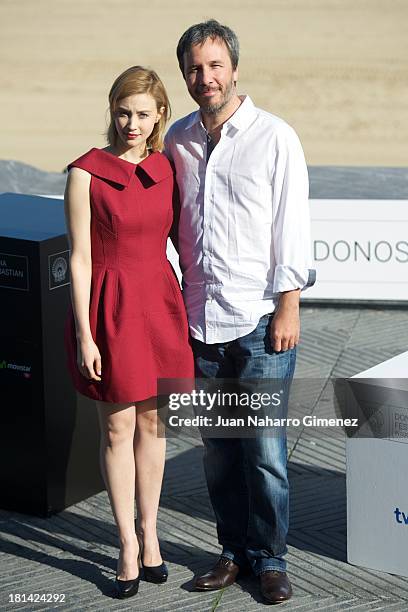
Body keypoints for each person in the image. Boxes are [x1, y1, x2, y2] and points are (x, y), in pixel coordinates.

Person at [164, 20, 314, 605]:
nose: (206, 77)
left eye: (216, 65)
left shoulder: (275, 137)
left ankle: (271, 560)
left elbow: (291, 229)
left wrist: (288, 305)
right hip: (198, 322)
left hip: (258, 322)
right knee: (220, 452)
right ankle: (232, 553)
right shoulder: (177, 139)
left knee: (267, 453)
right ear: (185, 75)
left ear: (234, 69)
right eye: (196, 68)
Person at [64, 65, 194, 599]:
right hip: (110, 307)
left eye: (142, 114)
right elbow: (78, 258)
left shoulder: (167, 168)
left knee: (153, 429)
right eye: (123, 112)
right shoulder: (85, 172)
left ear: (161, 113)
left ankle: (151, 533)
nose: (131, 124)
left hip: (159, 303)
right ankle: (124, 543)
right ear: (111, 111)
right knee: (117, 430)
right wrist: (84, 335)